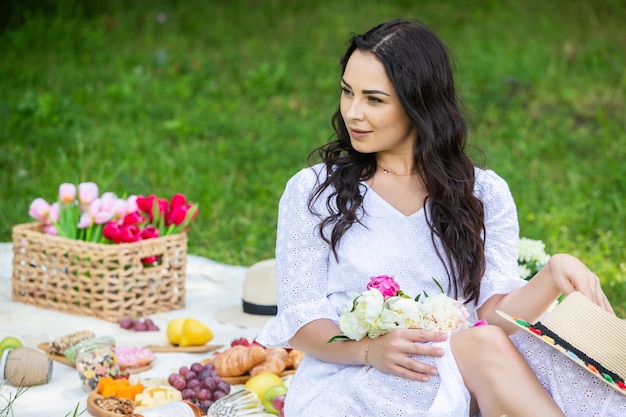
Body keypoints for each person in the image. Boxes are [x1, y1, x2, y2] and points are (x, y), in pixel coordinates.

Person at [255, 18, 625, 416]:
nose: (352, 112)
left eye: (374, 99)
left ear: (419, 103)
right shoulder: (314, 191)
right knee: (484, 348)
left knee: (538, 361)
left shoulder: (482, 193)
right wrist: (368, 349)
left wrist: (554, 272)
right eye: (347, 92)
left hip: (467, 368)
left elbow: (491, 315)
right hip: (356, 375)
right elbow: (301, 316)